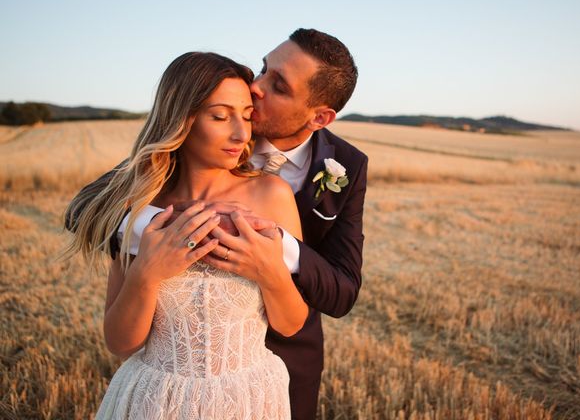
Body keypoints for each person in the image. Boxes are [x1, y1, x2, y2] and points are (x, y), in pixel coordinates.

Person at [68, 28, 368, 419]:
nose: (256, 89)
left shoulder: (341, 167)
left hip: (273, 371)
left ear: (319, 117)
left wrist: (275, 251)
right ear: (185, 119)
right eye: (263, 69)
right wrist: (164, 234)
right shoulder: (152, 184)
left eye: (278, 85)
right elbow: (87, 209)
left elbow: (342, 290)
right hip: (164, 390)